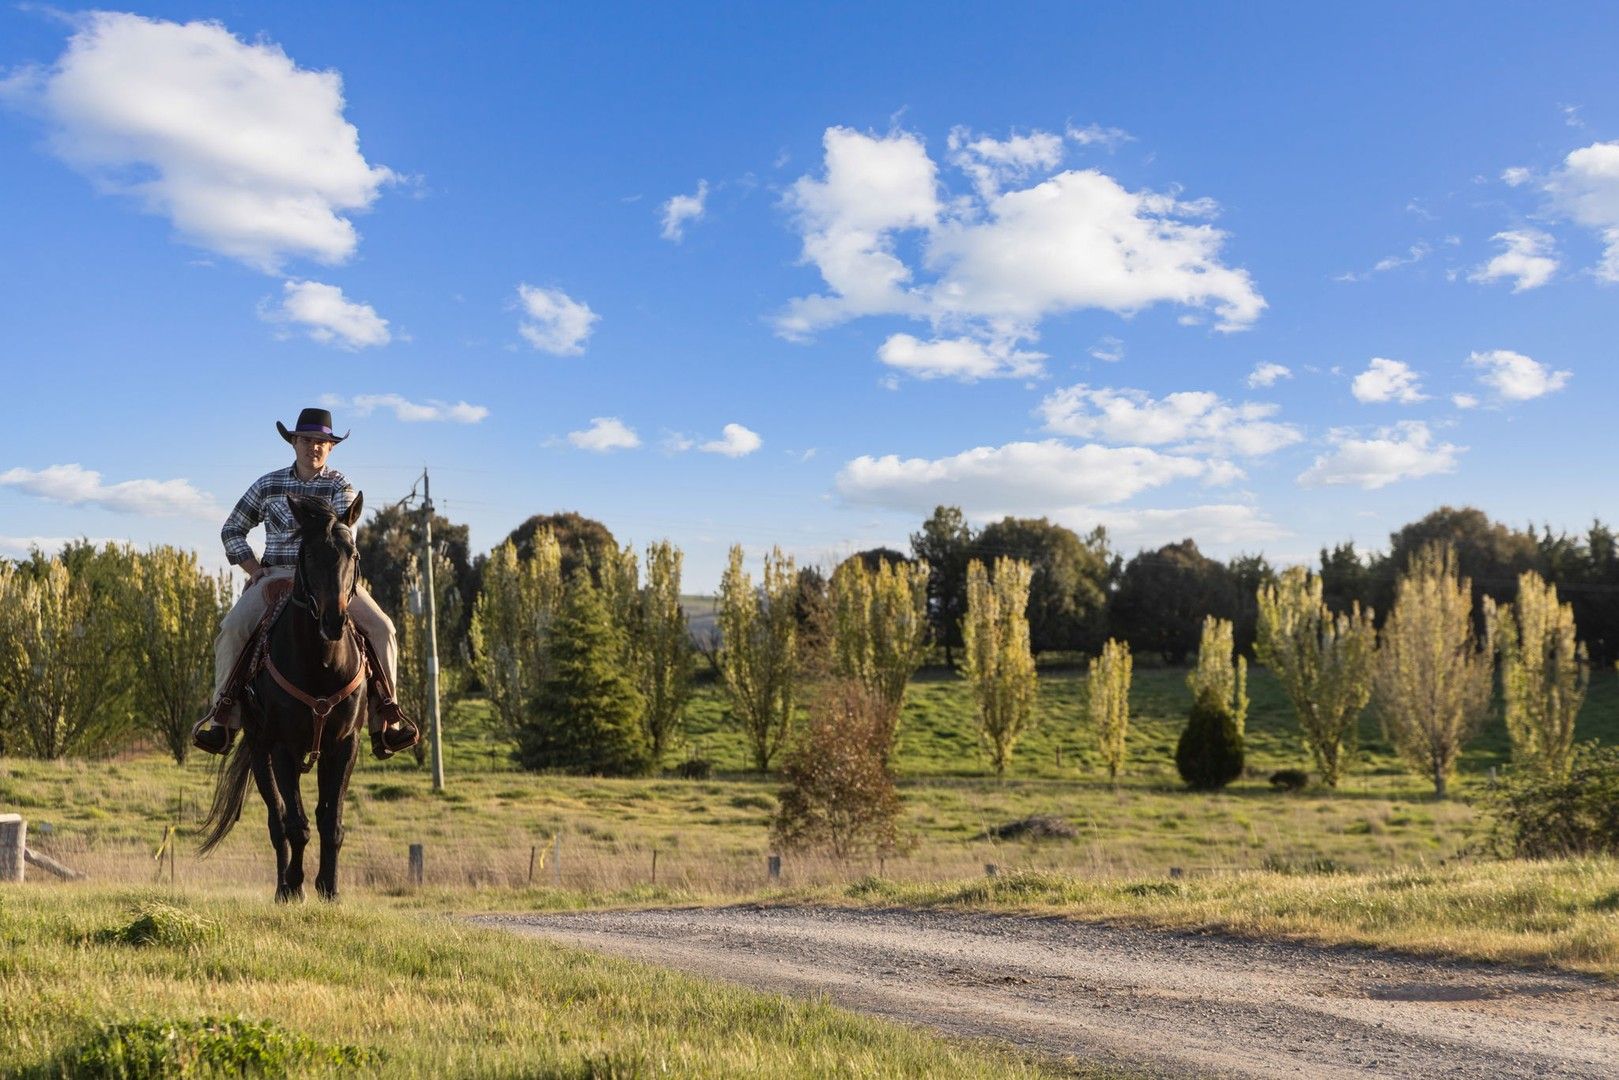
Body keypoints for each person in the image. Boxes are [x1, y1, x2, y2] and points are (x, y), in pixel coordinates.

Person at [192, 407, 419, 759]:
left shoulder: (340, 487)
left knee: (384, 629)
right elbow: (232, 528)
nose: (315, 447)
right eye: (308, 440)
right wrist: (254, 570)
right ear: (294, 442)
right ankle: (223, 719)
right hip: (278, 574)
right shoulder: (268, 485)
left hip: (331, 580)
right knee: (232, 629)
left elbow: (344, 536)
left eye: (322, 442)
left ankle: (386, 720)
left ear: (331, 448)